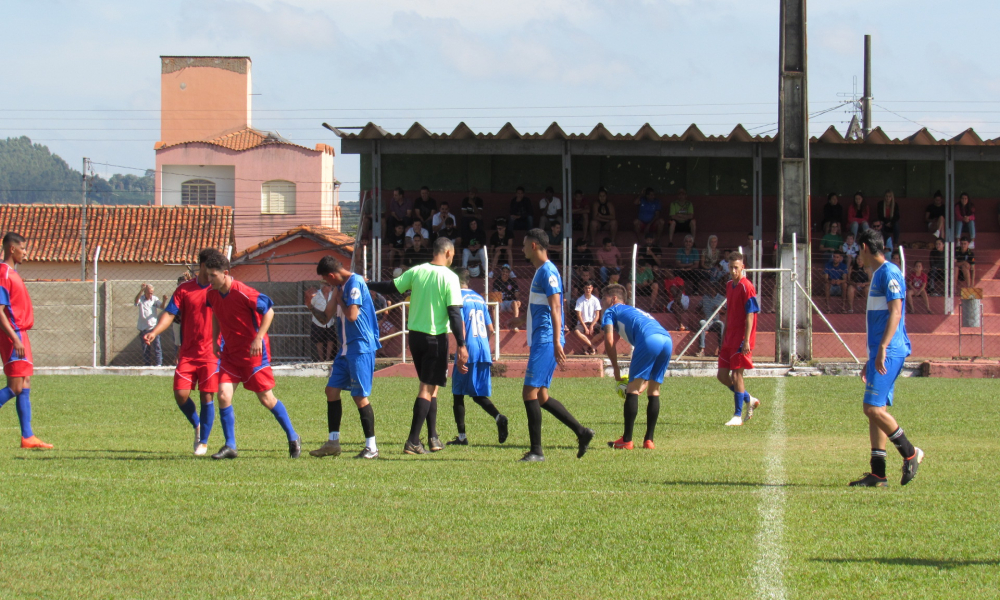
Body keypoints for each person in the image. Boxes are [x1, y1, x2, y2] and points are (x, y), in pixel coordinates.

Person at [367, 237, 469, 455]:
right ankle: (413, 440)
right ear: (449, 253)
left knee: (431, 387)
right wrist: (461, 344)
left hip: (415, 337)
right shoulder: (450, 278)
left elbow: (390, 287)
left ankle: (432, 438)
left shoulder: (417, 271)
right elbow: (454, 313)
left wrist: (367, 285)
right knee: (426, 388)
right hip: (435, 338)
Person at [204, 253, 300, 460]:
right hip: (230, 354)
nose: (209, 280)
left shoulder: (243, 292)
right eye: (207, 275)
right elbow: (216, 316)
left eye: (213, 275)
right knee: (223, 395)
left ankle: (293, 436)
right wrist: (214, 340)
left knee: (266, 399)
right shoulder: (211, 295)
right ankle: (230, 445)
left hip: (254, 354)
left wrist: (258, 338)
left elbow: (269, 311)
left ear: (225, 274)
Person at [849, 228, 923, 487]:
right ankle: (878, 474)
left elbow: (896, 313)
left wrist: (881, 349)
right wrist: (872, 355)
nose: (859, 255)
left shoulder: (889, 272)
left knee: (871, 408)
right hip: (882, 351)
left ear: (866, 248)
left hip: (889, 350)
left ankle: (911, 453)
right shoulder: (879, 274)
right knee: (876, 411)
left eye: (860, 249)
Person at [518, 229, 594, 462]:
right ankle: (582, 433)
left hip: (546, 339)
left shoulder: (548, 271)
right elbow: (542, 307)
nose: (521, 249)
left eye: (523, 244)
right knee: (541, 396)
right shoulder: (541, 271)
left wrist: (556, 340)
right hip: (544, 338)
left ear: (533, 245)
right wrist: (520, 320)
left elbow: (557, 307)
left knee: (529, 392)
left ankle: (536, 451)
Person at [142, 248, 221, 455]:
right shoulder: (184, 289)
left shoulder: (219, 289)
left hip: (212, 353)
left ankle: (203, 441)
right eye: (211, 267)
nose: (214, 271)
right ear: (202, 266)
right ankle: (197, 425)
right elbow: (169, 314)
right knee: (180, 394)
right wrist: (154, 332)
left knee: (207, 397)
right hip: (188, 353)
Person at [308, 257, 381, 460]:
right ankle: (333, 443)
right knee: (331, 391)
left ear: (331, 275)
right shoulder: (338, 287)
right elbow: (325, 318)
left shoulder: (354, 283)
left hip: (360, 347)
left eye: (326, 280)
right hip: (345, 350)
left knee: (359, 396)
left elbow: (352, 315)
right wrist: (310, 306)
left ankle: (371, 447)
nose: (327, 285)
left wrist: (339, 297)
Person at [601, 284, 672, 450]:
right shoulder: (632, 311)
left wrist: (616, 370)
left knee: (632, 389)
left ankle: (627, 440)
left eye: (603, 299)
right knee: (654, 391)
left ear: (613, 299)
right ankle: (649, 440)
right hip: (666, 340)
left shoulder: (611, 311)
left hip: (649, 340)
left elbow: (609, 341)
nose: (601, 303)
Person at [0, 232, 52, 449]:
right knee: (15, 387)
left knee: (25, 383)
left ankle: (28, 437)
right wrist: (15, 339)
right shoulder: (3, 273)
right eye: (23, 248)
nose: (26, 253)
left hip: (20, 334)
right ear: (12, 249)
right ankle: (27, 436)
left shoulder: (12, 273)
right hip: (14, 335)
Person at [446, 268, 509, 446]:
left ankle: (462, 437)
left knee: (458, 393)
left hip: (468, 349)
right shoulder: (479, 298)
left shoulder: (457, 298)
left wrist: (462, 347)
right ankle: (498, 417)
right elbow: (490, 329)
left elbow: (462, 324)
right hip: (484, 350)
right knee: (476, 394)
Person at [716, 251, 761, 427]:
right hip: (730, 336)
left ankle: (737, 416)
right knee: (721, 375)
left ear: (743, 267)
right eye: (731, 267)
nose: (734, 271)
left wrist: (747, 340)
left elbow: (750, 314)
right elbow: (729, 312)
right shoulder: (729, 285)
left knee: (736, 374)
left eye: (737, 267)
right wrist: (724, 334)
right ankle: (749, 398)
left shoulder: (747, 286)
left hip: (742, 336)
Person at [135, 283, 165, 366]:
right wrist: (141, 290)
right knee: (145, 349)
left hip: (153, 328)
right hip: (143, 328)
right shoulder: (141, 299)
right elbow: (136, 301)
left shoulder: (154, 299)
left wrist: (164, 300)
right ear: (145, 292)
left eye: (152, 292)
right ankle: (147, 364)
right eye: (149, 292)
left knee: (157, 347)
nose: (151, 294)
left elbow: (162, 306)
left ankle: (159, 364)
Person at [305, 284, 336, 361]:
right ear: (324, 287)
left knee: (331, 340)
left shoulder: (333, 294)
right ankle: (321, 358)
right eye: (329, 286)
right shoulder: (316, 294)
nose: (331, 287)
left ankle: (328, 358)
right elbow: (309, 305)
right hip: (317, 321)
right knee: (319, 341)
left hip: (330, 321)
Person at [571, 281, 603, 355]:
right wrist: (585, 327)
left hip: (593, 322)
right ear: (583, 289)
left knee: (603, 331)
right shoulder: (579, 300)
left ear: (592, 288)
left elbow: (597, 315)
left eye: (589, 288)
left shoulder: (595, 300)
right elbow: (579, 315)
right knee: (576, 331)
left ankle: (586, 346)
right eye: (586, 288)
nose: (587, 290)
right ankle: (592, 346)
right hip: (583, 323)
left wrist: (592, 325)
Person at [696, 281, 726, 357]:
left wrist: (719, 310)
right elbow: (697, 308)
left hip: (715, 321)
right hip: (706, 320)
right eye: (708, 289)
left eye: (711, 289)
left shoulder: (721, 298)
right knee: (702, 322)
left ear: (715, 289)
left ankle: (721, 350)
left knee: (721, 324)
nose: (709, 290)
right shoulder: (705, 297)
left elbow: (726, 311)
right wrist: (700, 310)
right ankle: (702, 350)